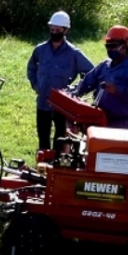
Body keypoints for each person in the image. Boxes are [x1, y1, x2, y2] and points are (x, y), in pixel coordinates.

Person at [27, 11, 94, 150]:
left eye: (58, 30)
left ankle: (57, 165)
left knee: (61, 139)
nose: (54, 32)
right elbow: (31, 67)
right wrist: (35, 84)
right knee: (43, 138)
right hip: (42, 102)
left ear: (66, 30)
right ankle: (43, 164)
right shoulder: (40, 50)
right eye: (52, 29)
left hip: (62, 106)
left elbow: (91, 73)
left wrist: (75, 91)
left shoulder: (74, 53)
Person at [75, 25, 128, 131]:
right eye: (107, 46)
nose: (109, 49)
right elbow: (88, 81)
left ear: (124, 46)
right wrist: (73, 92)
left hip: (124, 124)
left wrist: (117, 90)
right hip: (102, 120)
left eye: (113, 46)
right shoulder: (105, 65)